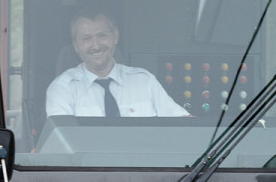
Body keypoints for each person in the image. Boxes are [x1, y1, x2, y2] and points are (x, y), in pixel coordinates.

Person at [45, 11, 187, 117]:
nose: (96, 46)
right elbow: (62, 146)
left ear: (115, 36)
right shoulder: (62, 89)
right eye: (86, 39)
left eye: (102, 36)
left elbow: (184, 123)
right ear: (75, 45)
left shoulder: (144, 81)